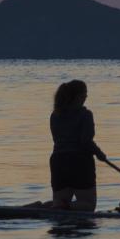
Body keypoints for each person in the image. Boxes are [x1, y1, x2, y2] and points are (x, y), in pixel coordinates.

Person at [46, 79, 110, 210]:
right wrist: (99, 154)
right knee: (88, 205)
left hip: (59, 162)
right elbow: (85, 141)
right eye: (84, 93)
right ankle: (62, 206)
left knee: (59, 203)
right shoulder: (85, 115)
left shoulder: (55, 115)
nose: (86, 96)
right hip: (79, 162)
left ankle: (45, 207)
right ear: (76, 96)